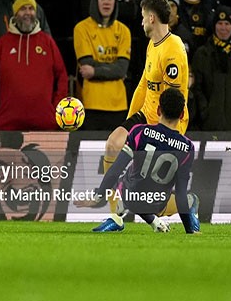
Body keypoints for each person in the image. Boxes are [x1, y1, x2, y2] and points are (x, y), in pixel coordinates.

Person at [77, 88, 200, 234]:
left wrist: (98, 196)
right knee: (187, 198)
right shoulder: (187, 147)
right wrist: (190, 230)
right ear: (182, 115)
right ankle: (185, 210)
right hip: (158, 203)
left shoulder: (139, 132)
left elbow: (116, 169)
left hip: (131, 196)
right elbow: (180, 193)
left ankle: (116, 217)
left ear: (158, 110)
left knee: (123, 179)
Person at [101, 0, 189, 187]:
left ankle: (188, 203)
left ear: (151, 18)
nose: (141, 22)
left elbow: (174, 101)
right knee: (113, 143)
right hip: (147, 114)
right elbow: (144, 84)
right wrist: (129, 122)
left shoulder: (172, 50)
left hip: (168, 123)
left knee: (148, 193)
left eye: (143, 17)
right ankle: (111, 204)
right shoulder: (153, 44)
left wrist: (159, 133)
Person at [0, 0, 67, 131]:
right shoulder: (2, 44)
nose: (27, 13)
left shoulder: (48, 43)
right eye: (23, 9)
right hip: (7, 125)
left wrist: (55, 111)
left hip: (45, 124)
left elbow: (62, 77)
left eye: (31, 9)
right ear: (15, 14)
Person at [74, 0, 133, 130]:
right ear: (95, 1)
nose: (106, 3)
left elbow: (121, 70)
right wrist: (111, 69)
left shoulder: (124, 31)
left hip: (118, 105)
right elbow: (86, 65)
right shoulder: (81, 29)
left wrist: (95, 71)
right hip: (91, 104)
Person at [191, 5, 231, 130]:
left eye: (227, 23)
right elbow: (196, 88)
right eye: (220, 23)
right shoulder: (202, 54)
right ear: (214, 25)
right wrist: (205, 111)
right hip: (208, 127)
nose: (223, 28)